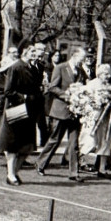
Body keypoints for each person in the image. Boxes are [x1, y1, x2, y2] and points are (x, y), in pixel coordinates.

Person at [0, 45, 44, 186]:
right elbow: (8, 91)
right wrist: (25, 97)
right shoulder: (16, 67)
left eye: (37, 52)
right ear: (26, 52)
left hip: (30, 111)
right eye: (33, 52)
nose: (36, 54)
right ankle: (11, 174)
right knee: (13, 146)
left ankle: (14, 173)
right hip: (16, 109)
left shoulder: (35, 68)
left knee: (26, 147)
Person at [37, 46, 87, 181]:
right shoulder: (60, 68)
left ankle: (73, 173)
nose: (82, 62)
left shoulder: (81, 71)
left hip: (75, 112)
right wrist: (67, 95)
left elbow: (84, 87)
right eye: (81, 59)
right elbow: (52, 87)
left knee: (74, 143)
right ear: (74, 55)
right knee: (54, 140)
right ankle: (40, 164)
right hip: (60, 110)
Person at [80, 63, 111, 178]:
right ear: (99, 73)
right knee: (89, 141)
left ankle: (102, 169)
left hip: (106, 118)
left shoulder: (110, 86)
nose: (107, 76)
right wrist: (97, 103)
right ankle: (80, 161)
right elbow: (85, 98)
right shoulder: (92, 84)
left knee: (105, 142)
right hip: (93, 117)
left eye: (109, 74)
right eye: (105, 74)